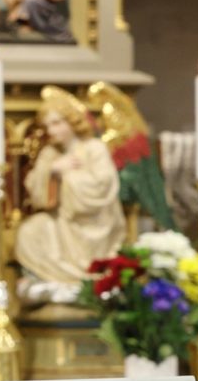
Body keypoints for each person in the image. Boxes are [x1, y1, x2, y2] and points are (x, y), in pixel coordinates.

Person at [15, 87, 125, 312]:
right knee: (29, 231)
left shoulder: (94, 149)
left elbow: (103, 186)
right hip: (61, 221)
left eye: (57, 123)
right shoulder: (50, 154)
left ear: (72, 121)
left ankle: (84, 280)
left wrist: (67, 177)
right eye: (47, 126)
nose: (51, 130)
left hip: (95, 222)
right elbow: (37, 194)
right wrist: (52, 172)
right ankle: (57, 281)